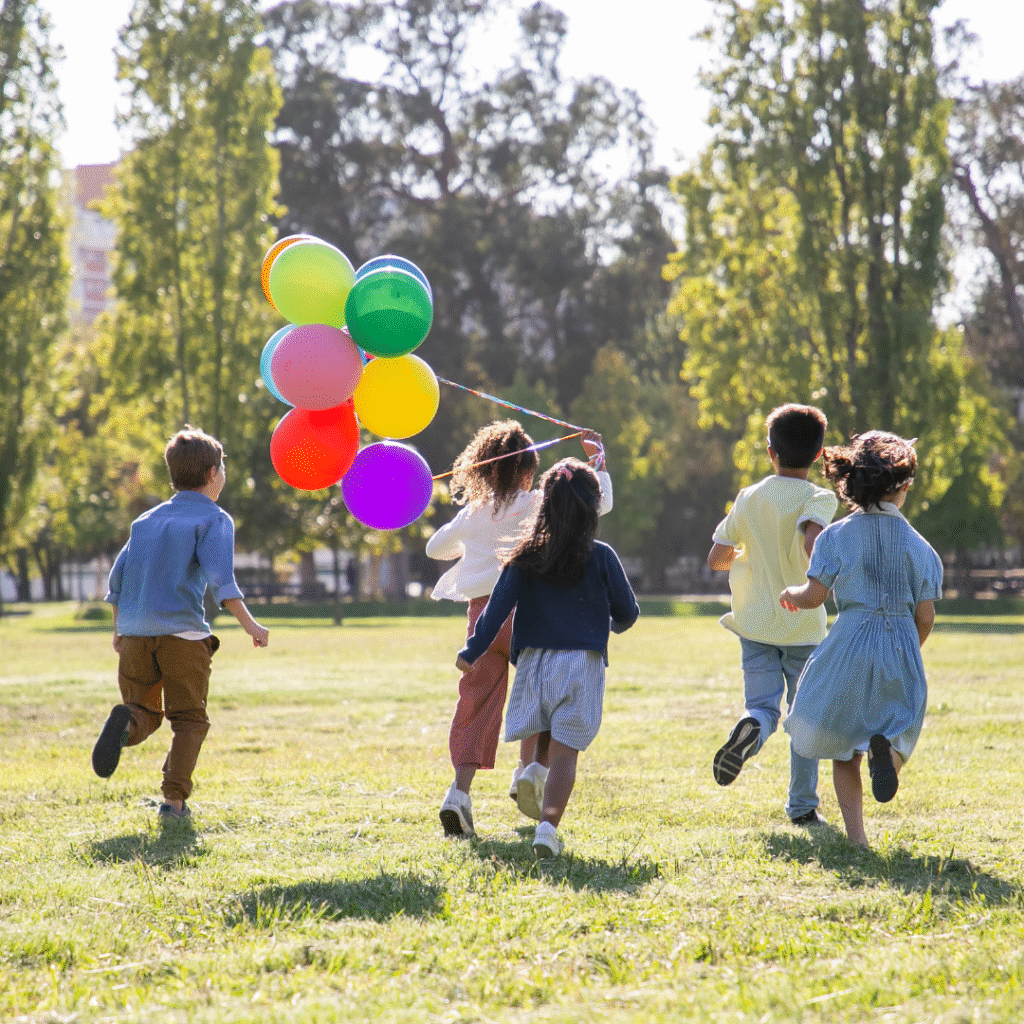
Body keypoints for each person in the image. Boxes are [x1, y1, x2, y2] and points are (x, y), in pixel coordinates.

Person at [426, 421, 612, 837]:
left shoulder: (473, 513)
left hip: (482, 621)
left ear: (484, 471)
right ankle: (528, 772)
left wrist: (472, 533)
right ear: (529, 469)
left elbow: (434, 548)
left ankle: (459, 793)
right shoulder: (537, 503)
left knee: (475, 703)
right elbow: (597, 504)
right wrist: (597, 460)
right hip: (529, 615)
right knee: (542, 697)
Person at [455, 458, 639, 858]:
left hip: (534, 663)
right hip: (581, 664)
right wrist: (607, 623)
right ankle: (546, 828)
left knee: (542, 734)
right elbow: (628, 612)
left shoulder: (525, 556)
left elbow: (496, 610)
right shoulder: (602, 555)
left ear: (544, 506)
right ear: (592, 508)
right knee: (565, 755)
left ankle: (531, 773)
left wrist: (472, 650)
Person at [91, 427, 269, 822]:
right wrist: (252, 626)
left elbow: (116, 581)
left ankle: (126, 722)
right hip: (182, 635)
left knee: (144, 712)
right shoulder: (214, 519)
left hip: (136, 633)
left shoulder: (146, 520)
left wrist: (118, 629)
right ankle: (172, 803)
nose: (223, 475)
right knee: (189, 720)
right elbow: (223, 583)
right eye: (222, 468)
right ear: (211, 474)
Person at [780, 431, 941, 849]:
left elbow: (815, 596)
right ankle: (888, 757)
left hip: (849, 642)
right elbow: (925, 616)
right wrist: (909, 647)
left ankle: (858, 841)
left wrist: (790, 594)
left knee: (842, 744)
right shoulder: (921, 548)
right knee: (902, 726)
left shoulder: (834, 536)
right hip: (900, 642)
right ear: (903, 486)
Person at [707, 404, 838, 825]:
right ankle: (802, 807)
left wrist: (748, 556)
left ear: (770, 452)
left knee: (762, 706)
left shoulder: (749, 496)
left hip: (755, 624)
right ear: (818, 456)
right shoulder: (820, 496)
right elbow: (812, 541)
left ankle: (750, 728)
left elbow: (716, 559)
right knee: (805, 718)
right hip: (802, 623)